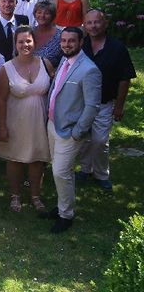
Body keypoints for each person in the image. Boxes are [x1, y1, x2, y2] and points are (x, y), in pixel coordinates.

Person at [45, 26, 101, 233]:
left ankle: (66, 215)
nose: (66, 44)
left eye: (71, 41)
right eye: (64, 41)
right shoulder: (63, 61)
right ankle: (62, 206)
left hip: (70, 131)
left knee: (60, 172)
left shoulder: (89, 69)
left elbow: (92, 106)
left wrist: (78, 131)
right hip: (53, 125)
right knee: (61, 171)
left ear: (80, 42)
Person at [0, 26, 52, 214]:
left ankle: (36, 196)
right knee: (15, 158)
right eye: (20, 41)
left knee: (37, 158)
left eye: (28, 41)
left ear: (34, 42)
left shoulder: (46, 64)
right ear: (15, 44)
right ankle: (15, 195)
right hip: (15, 121)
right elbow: (1, 98)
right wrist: (2, 126)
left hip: (40, 121)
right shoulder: (7, 68)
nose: (24, 45)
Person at [78, 10, 136, 192]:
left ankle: (101, 174)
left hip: (104, 102)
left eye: (97, 22)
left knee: (100, 140)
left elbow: (125, 78)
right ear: (84, 26)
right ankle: (85, 170)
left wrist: (119, 106)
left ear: (105, 24)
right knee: (84, 139)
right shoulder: (81, 45)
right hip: (81, 102)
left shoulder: (117, 48)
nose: (93, 26)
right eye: (89, 23)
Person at [0, 0, 29, 166]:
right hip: (0, 75)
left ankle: (20, 149)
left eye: (11, 1)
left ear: (16, 3)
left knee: (20, 113)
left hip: (21, 72)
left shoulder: (23, 21)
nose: (7, 4)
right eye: (4, 1)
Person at [32, 0, 63, 68]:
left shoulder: (60, 36)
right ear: (35, 14)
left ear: (53, 16)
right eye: (39, 12)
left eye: (47, 13)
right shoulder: (28, 32)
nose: (42, 16)